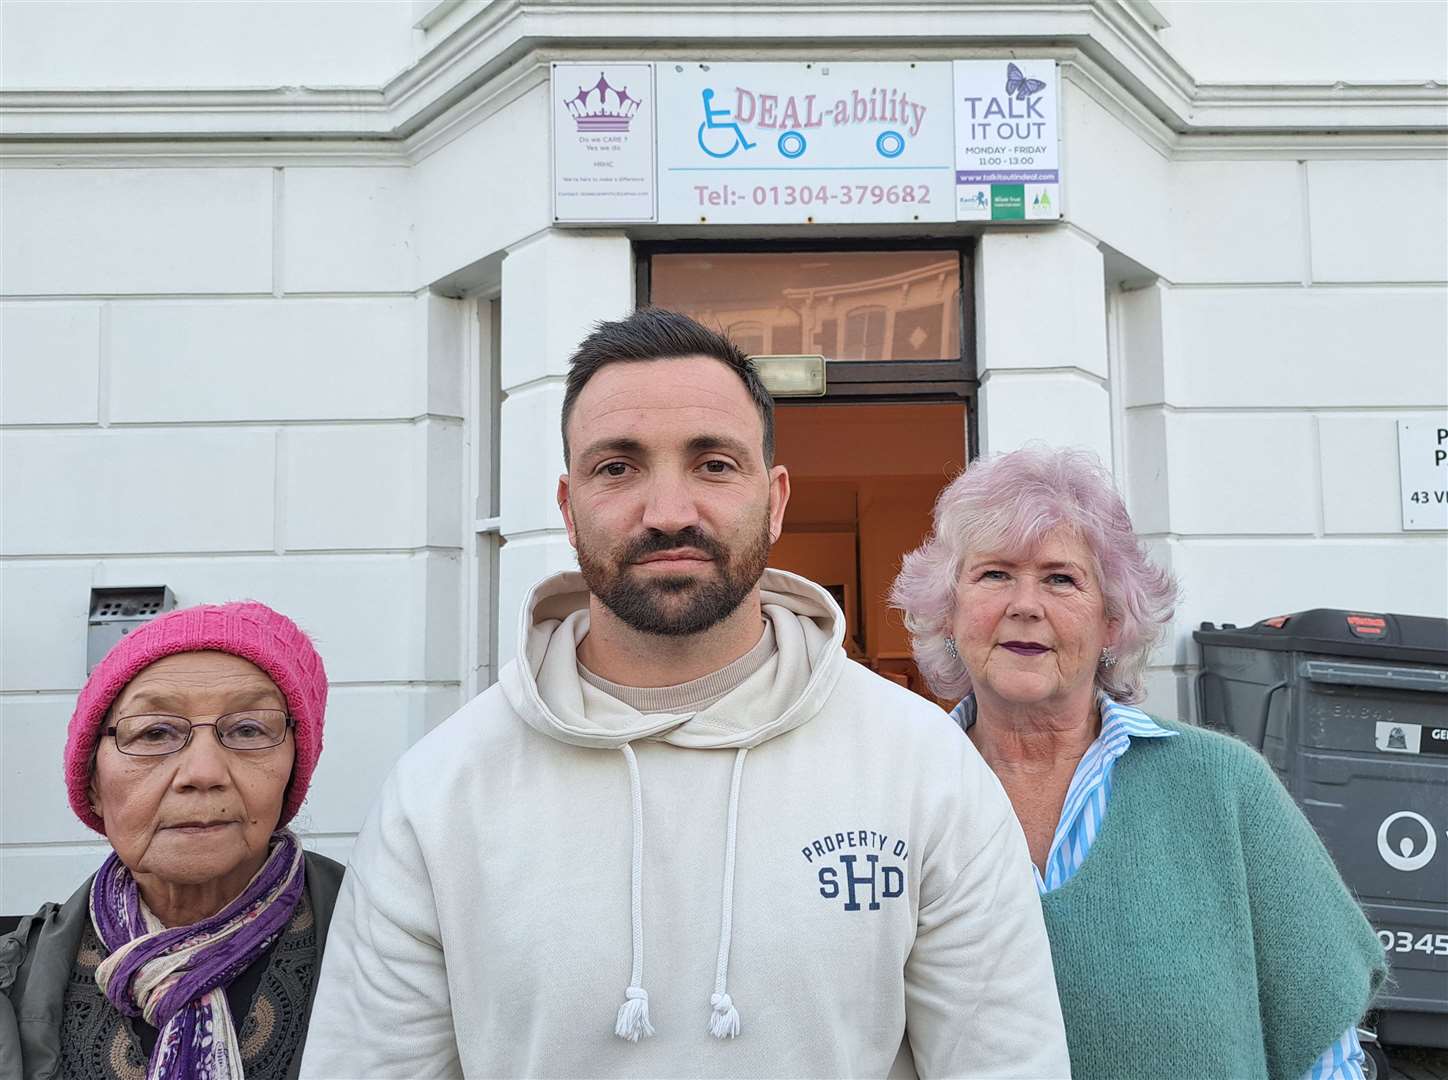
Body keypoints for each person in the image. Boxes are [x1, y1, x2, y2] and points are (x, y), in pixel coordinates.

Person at [300, 308, 1070, 1078]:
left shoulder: (922, 766)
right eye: (618, 468)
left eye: (713, 465)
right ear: (568, 509)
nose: (668, 513)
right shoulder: (440, 793)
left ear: (774, 500)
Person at [889, 446, 1387, 1080]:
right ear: (948, 611)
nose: (1025, 604)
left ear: (1112, 622)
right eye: (993, 575)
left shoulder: (1223, 788)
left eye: (1061, 578)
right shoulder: (901, 788)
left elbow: (1325, 1055)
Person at [0, 601, 343, 1080]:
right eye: (155, 732)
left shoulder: (387, 942)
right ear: (94, 785)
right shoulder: (13, 978)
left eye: (248, 729)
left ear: (291, 774)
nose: (203, 773)